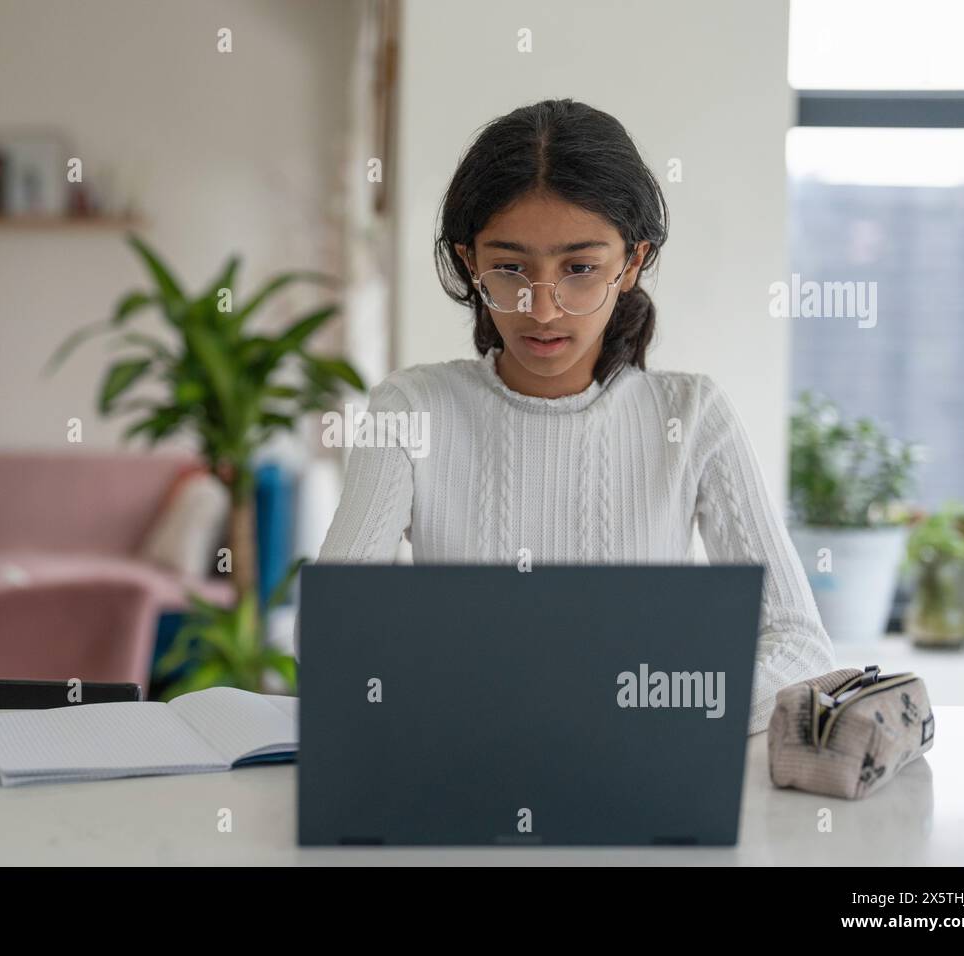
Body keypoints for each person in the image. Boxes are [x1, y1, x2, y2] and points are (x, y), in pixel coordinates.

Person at [307, 98, 835, 735]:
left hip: (642, 772)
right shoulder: (410, 408)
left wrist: (657, 707)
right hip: (465, 767)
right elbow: (336, 631)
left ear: (632, 263)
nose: (543, 309)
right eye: (509, 268)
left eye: (580, 269)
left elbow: (800, 647)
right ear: (470, 261)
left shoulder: (693, 416)